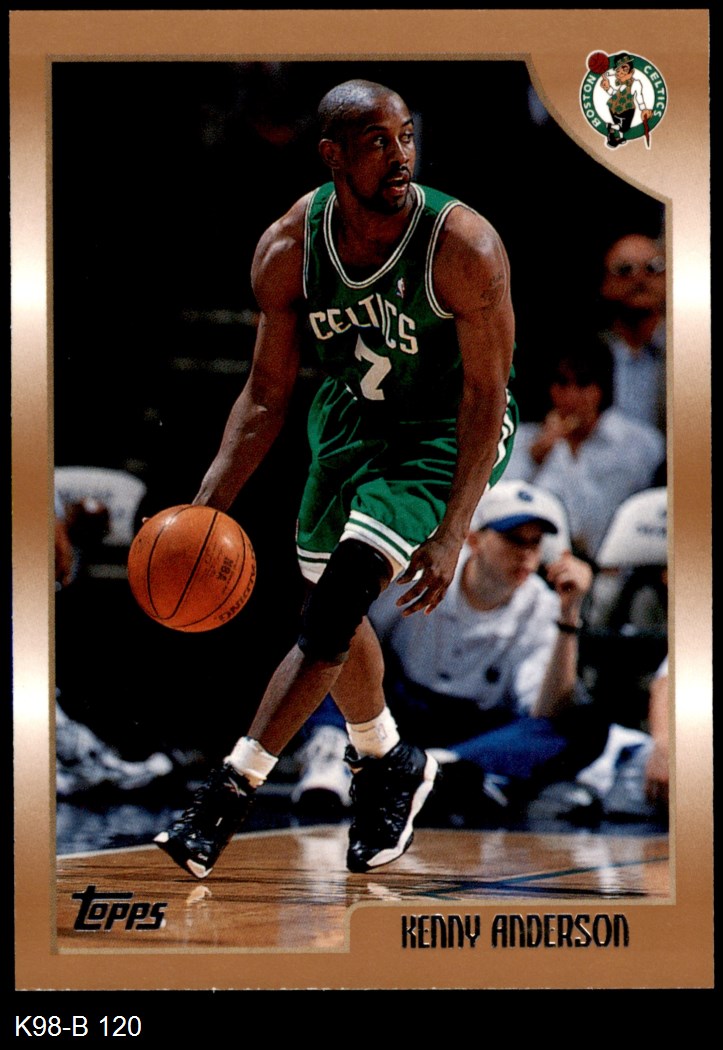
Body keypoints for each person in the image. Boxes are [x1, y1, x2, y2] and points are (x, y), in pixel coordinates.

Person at [154, 79, 518, 878]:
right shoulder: (289, 247)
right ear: (333, 155)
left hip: (443, 430)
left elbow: (485, 394)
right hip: (352, 424)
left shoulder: (462, 244)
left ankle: (227, 793)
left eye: (406, 136)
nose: (400, 155)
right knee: (331, 612)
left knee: (331, 610)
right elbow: (265, 394)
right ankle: (388, 759)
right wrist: (208, 507)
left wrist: (453, 528)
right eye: (377, 142)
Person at [294, 480, 605, 819]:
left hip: (474, 728)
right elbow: (354, 628)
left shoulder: (543, 607)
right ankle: (333, 756)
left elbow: (544, 711)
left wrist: (569, 616)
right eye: (513, 539)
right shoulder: (427, 570)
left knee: (583, 727)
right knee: (332, 646)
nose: (526, 554)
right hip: (396, 708)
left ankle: (438, 768)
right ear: (474, 539)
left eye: (535, 543)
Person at [505, 339, 665, 561]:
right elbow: (499, 503)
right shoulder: (523, 440)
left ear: (601, 389)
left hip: (615, 569)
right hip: (540, 565)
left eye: (583, 384)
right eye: (562, 383)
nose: (571, 396)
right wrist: (535, 456)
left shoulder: (642, 444)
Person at [598, 233, 666, 433]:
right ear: (605, 283)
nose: (640, 278)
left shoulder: (692, 352)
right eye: (625, 269)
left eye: (654, 267)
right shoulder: (588, 354)